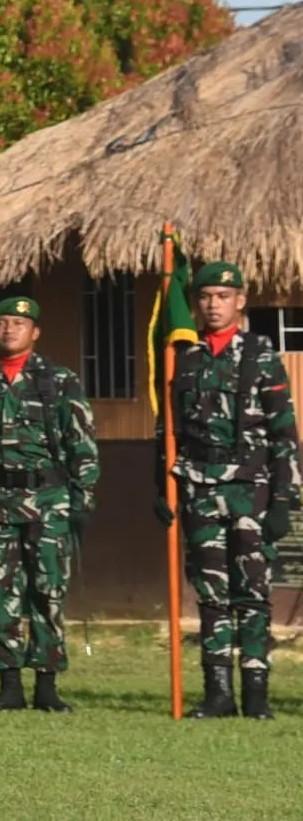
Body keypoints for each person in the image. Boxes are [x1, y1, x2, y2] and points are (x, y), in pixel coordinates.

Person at [158, 260, 299, 720]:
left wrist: (284, 499)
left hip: (251, 488)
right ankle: (218, 692)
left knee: (253, 593)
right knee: (212, 592)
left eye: (222, 297)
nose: (213, 305)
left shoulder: (259, 354)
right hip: (199, 487)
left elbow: (284, 433)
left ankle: (256, 692)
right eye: (204, 297)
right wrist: (161, 486)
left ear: (240, 301)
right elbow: (167, 430)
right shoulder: (183, 355)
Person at [0, 294, 99, 713]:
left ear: (35, 332)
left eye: (18, 324)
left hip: (48, 500)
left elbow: (82, 442)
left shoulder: (58, 380)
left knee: (47, 590)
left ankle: (47, 685)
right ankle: (8, 684)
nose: (9, 330)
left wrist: (83, 499)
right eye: (2, 323)